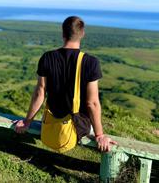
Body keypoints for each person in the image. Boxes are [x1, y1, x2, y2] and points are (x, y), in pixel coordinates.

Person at [15, 16, 117, 152]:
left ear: (63, 34)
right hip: (78, 126)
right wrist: (100, 135)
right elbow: (92, 103)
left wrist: (27, 121)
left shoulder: (47, 57)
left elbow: (40, 93)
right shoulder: (91, 62)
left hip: (51, 122)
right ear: (82, 34)